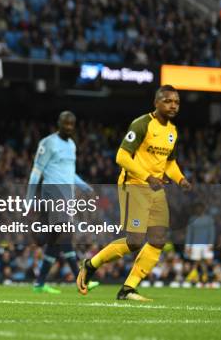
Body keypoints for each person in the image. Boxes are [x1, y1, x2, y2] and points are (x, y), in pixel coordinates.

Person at [77, 85, 192, 301]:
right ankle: (91, 264)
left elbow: (169, 163)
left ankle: (128, 289)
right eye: (168, 101)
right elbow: (121, 156)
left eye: (176, 102)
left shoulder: (172, 131)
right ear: (156, 103)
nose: (173, 105)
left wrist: (181, 179)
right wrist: (148, 177)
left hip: (156, 188)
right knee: (135, 241)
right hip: (135, 184)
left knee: (158, 239)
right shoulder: (142, 124)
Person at [27, 111, 97, 294]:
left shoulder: (72, 145)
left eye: (71, 124)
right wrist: (28, 198)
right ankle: (80, 279)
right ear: (59, 123)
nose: (68, 127)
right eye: (65, 124)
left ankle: (39, 284)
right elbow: (36, 171)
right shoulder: (48, 143)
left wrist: (85, 186)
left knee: (55, 243)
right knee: (65, 236)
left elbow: (69, 173)